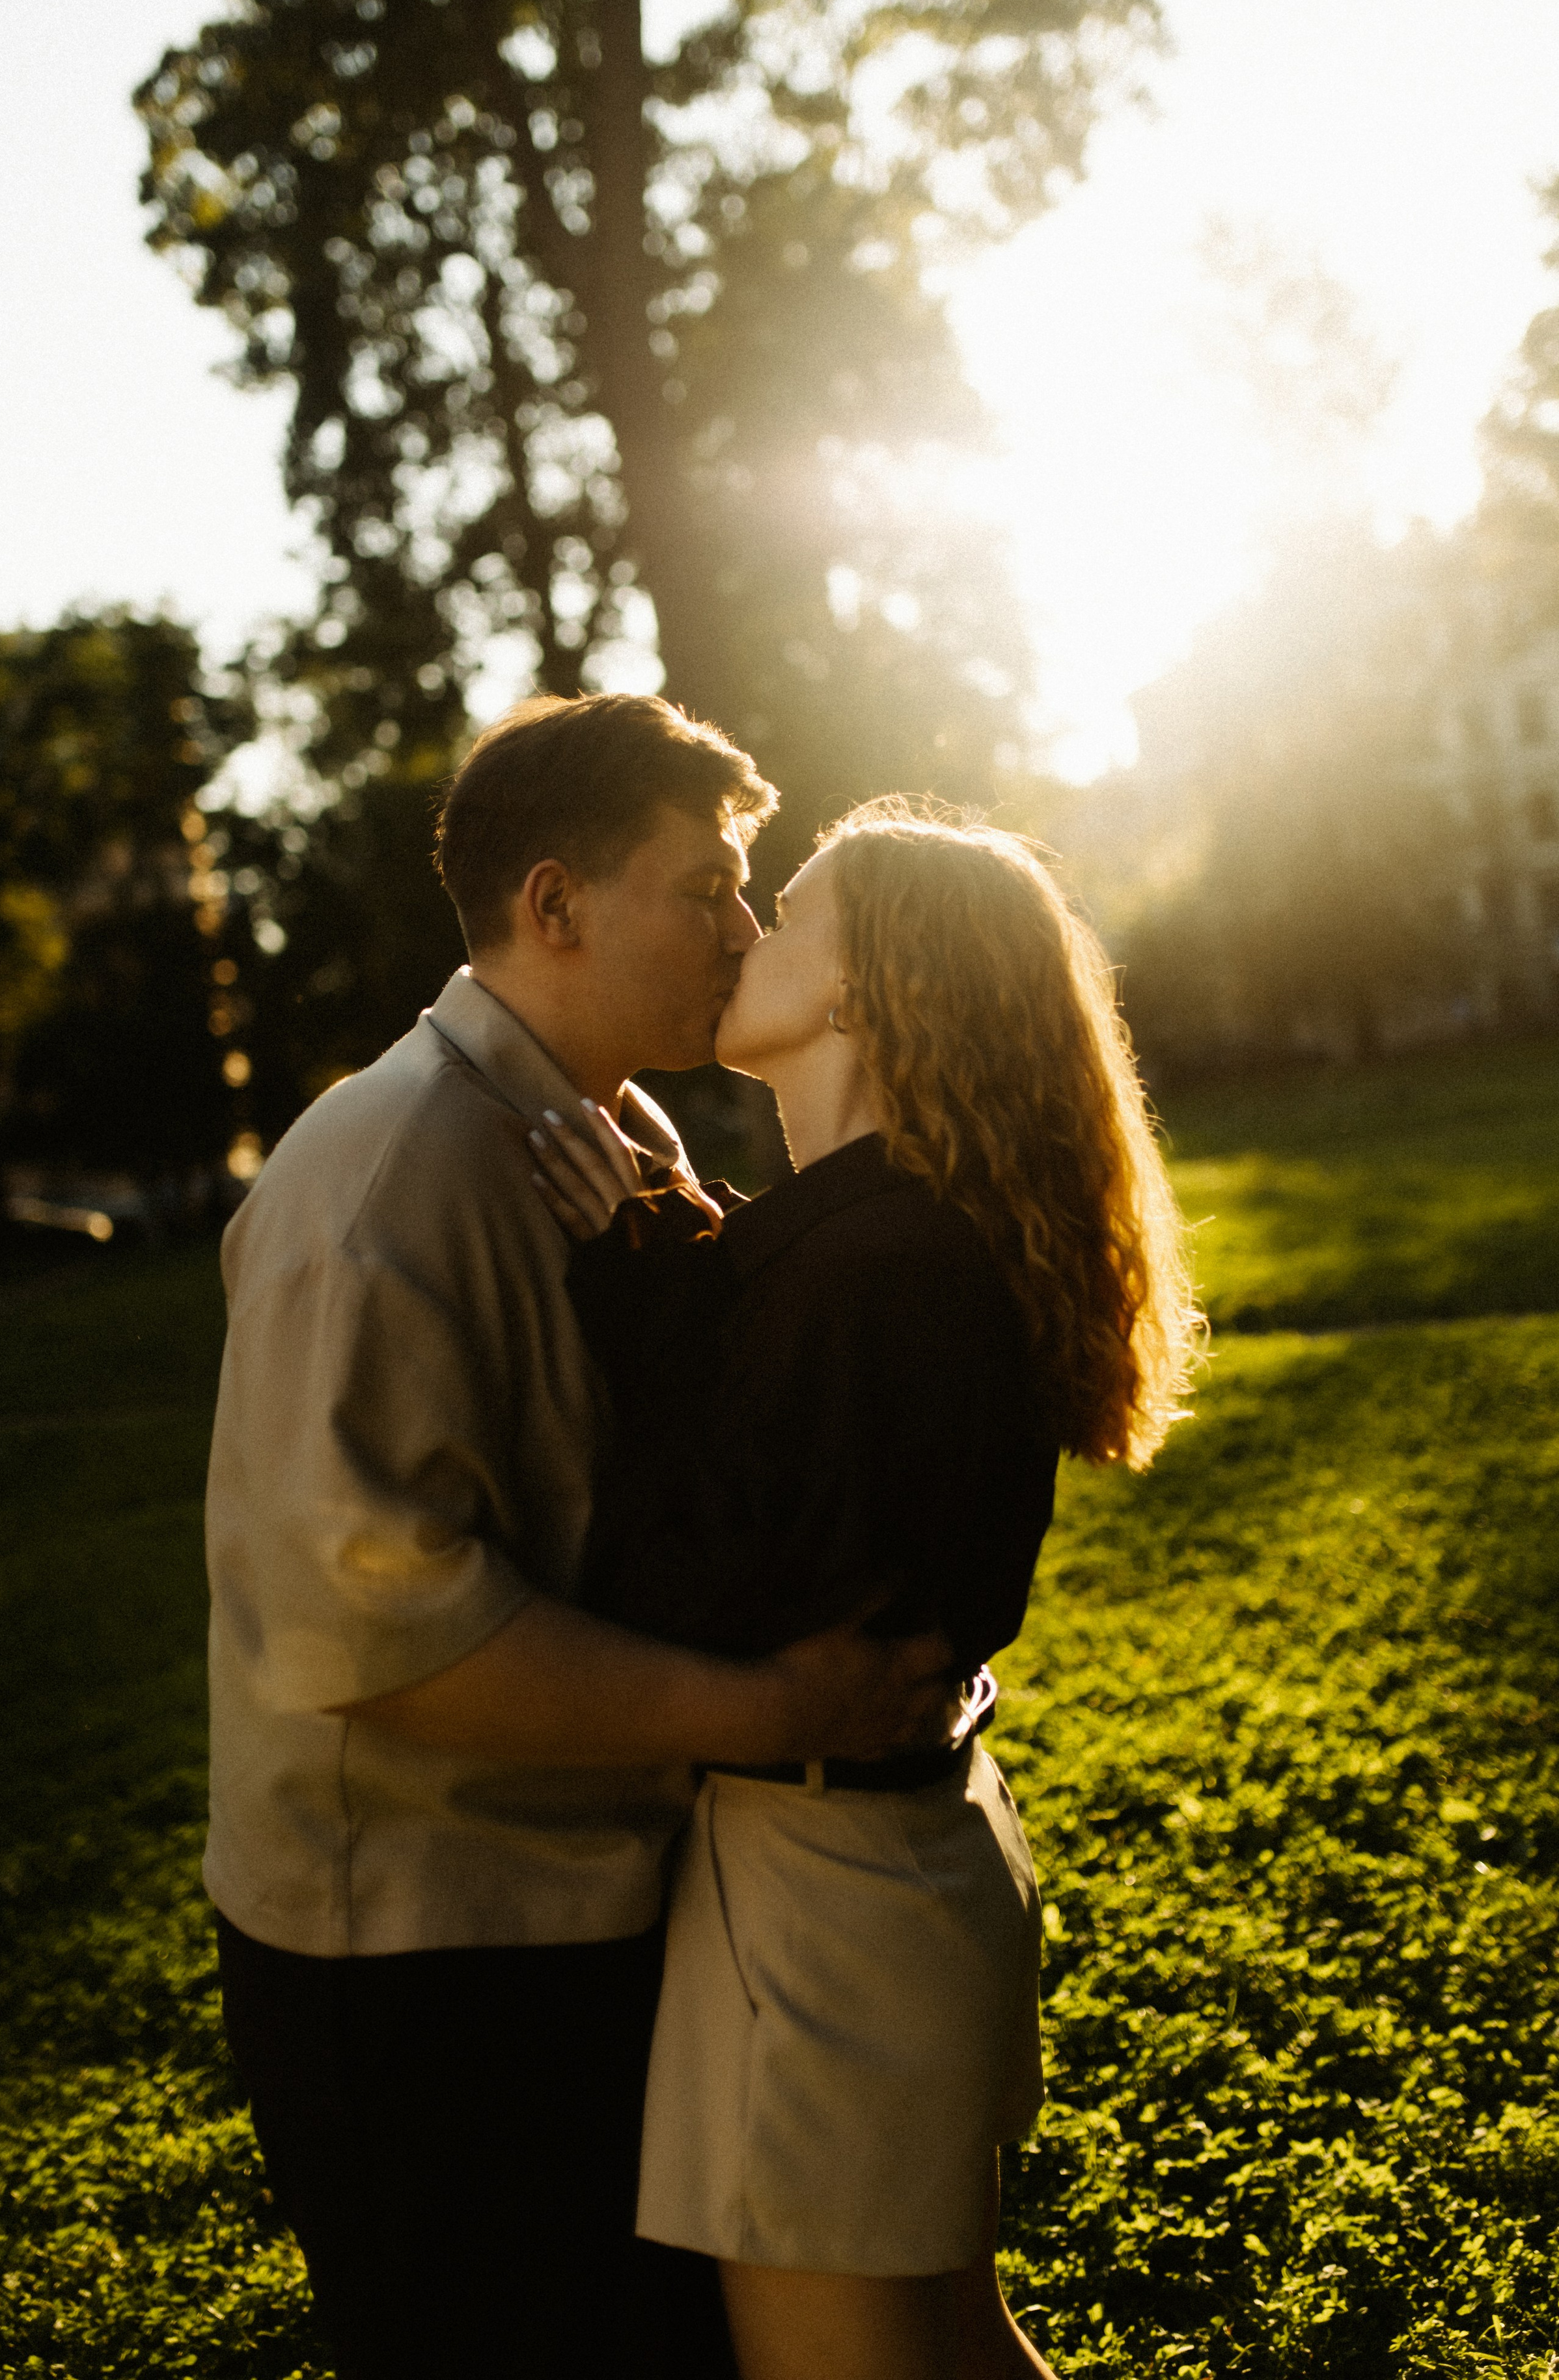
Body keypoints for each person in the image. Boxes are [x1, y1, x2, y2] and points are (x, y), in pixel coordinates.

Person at [203, 700, 956, 2380]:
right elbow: (378, 1636)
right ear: (554, 908)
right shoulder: (381, 1178)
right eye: (707, 889)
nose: (743, 931)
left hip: (598, 1918)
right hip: (421, 1965)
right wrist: (775, 1717)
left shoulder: (618, 1131)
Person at [529, 799, 1201, 2380]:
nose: (741, 933)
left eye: (789, 913)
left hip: (822, 1906)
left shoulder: (882, 1270)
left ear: (862, 987)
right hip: (882, 1867)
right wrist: (687, 1244)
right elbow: (789, 1451)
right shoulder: (883, 1239)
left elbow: (689, 1584)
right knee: (962, 2350)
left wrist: (623, 1285)